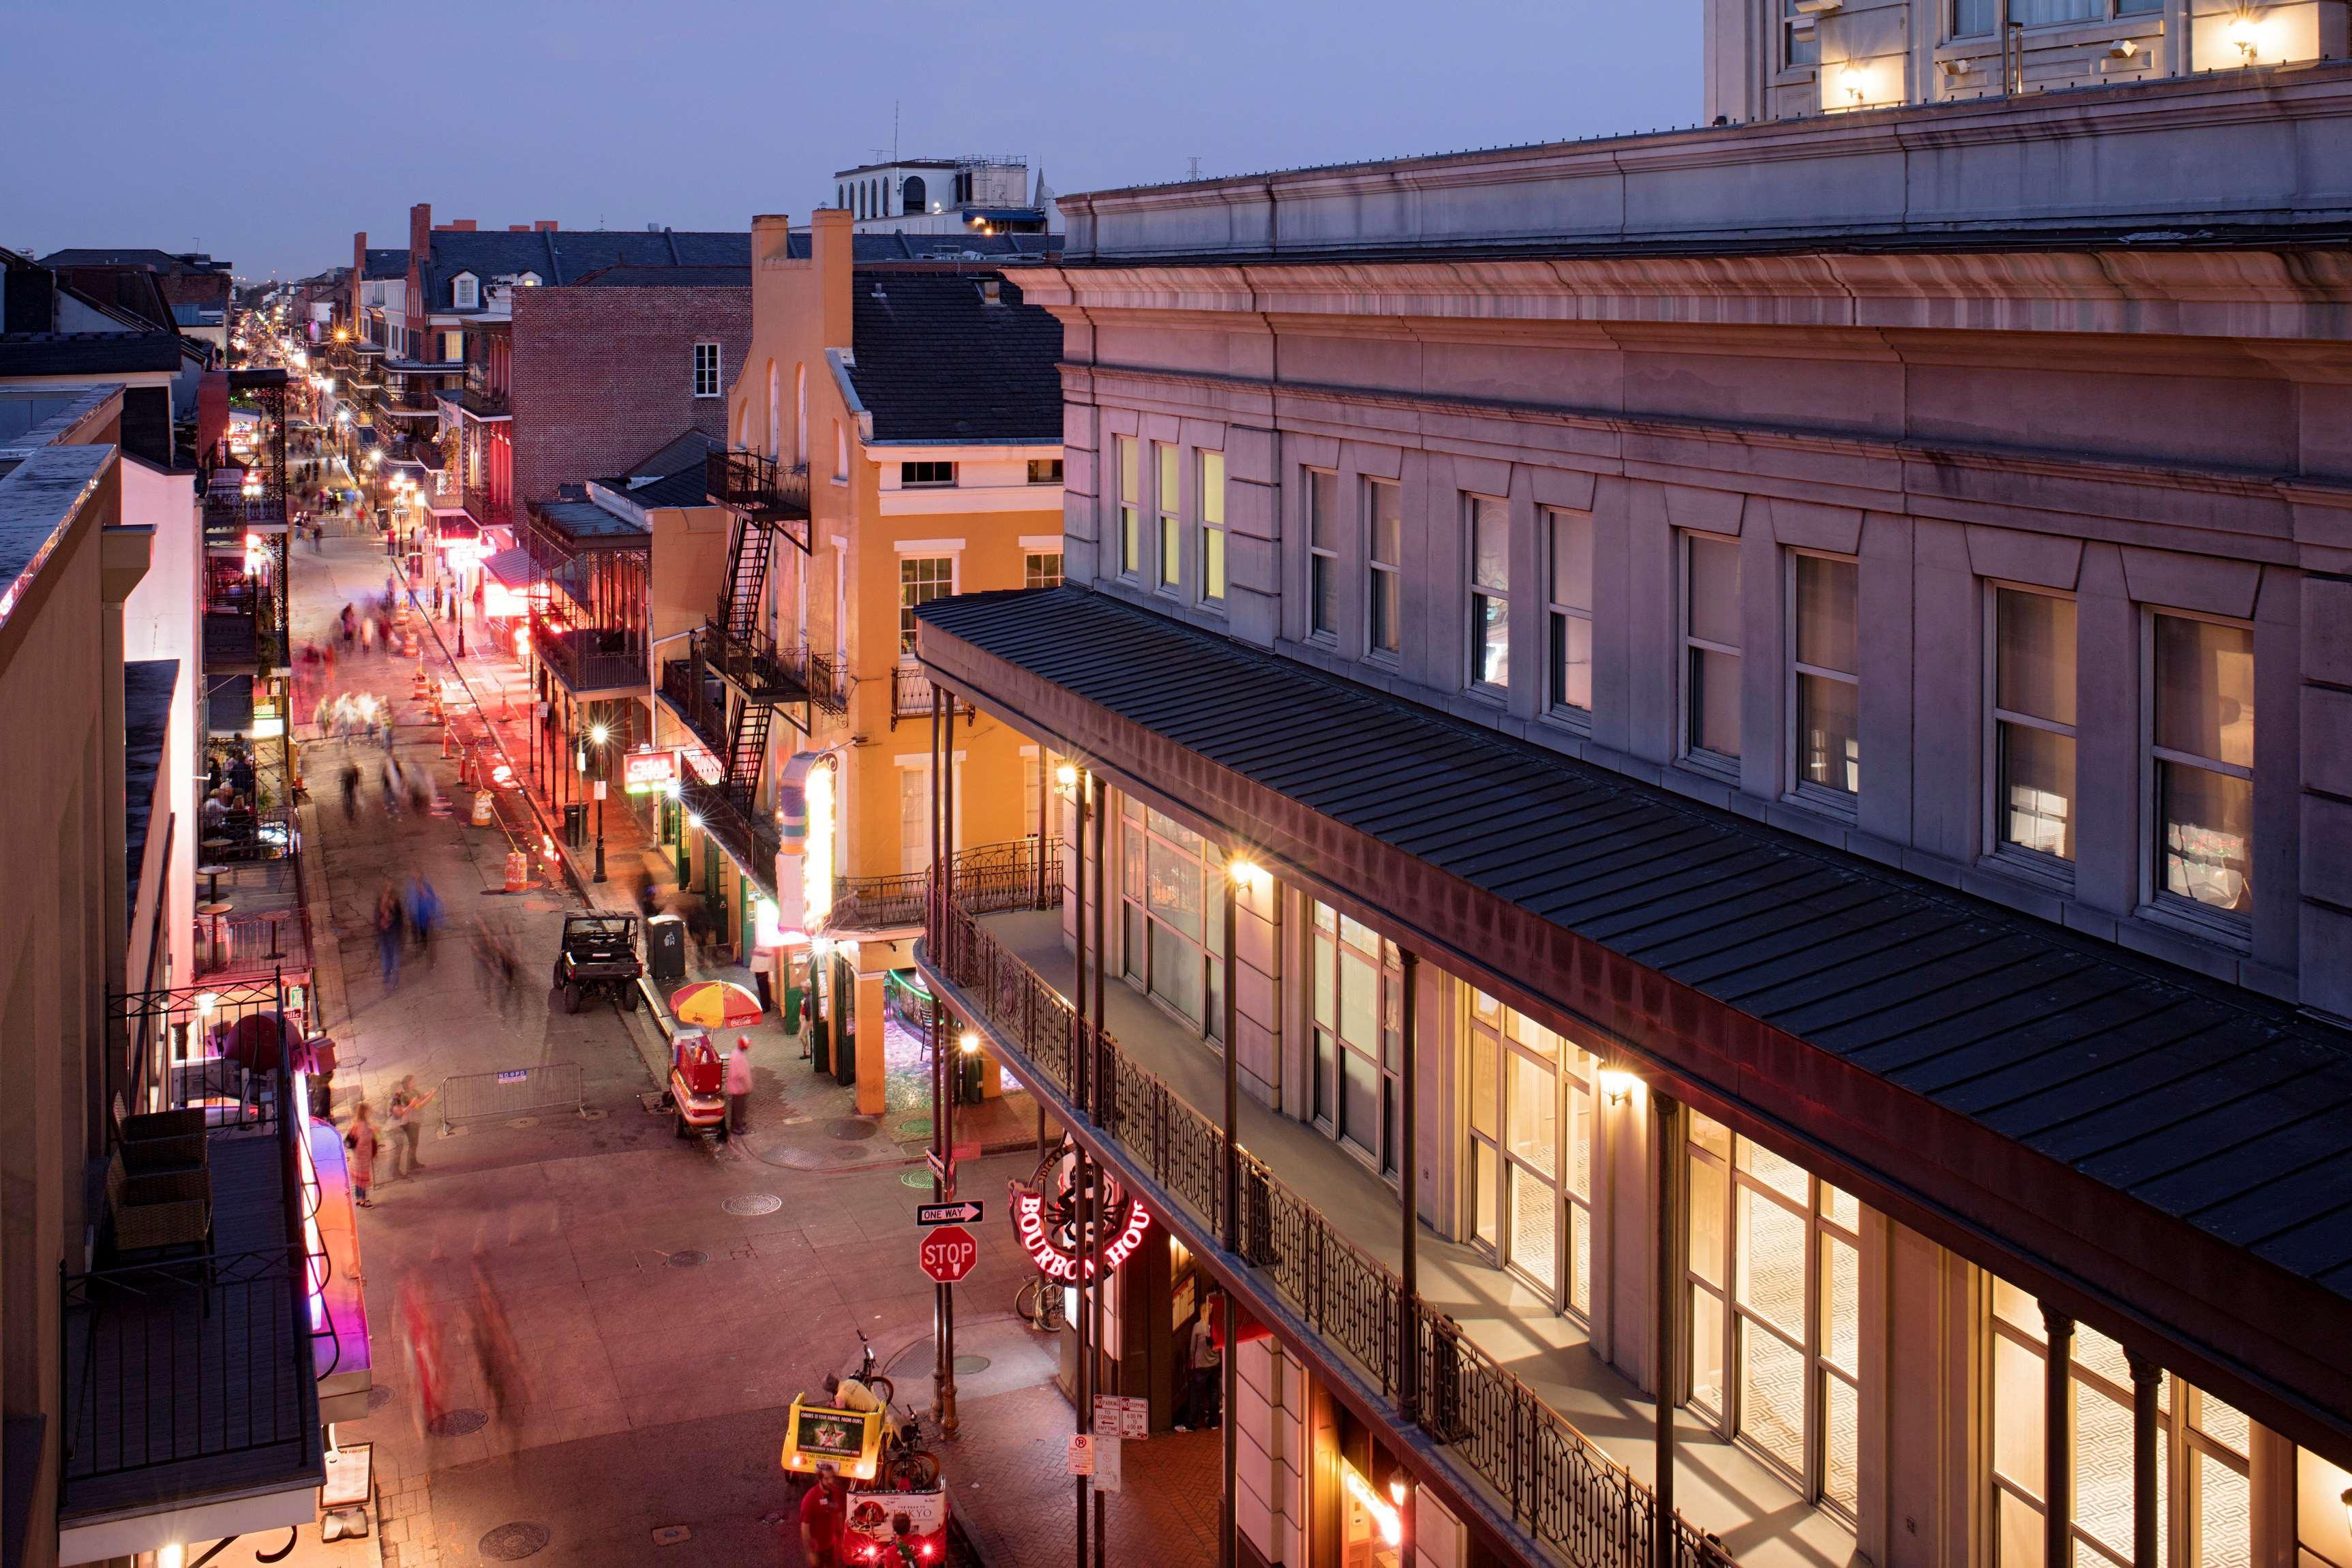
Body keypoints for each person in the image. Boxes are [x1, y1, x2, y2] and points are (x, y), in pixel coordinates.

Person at [798, 1463, 848, 1568]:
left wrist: (842, 1541)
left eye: (832, 1477)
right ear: (819, 1479)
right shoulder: (810, 1499)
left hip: (831, 1546)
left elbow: (840, 1515)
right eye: (827, 1478)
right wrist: (810, 1553)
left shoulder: (836, 1492)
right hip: (817, 1550)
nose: (831, 1481)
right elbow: (805, 1529)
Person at [389, 1074, 434, 1178]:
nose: (402, 1089)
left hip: (412, 1122)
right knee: (406, 1147)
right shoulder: (402, 1097)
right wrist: (432, 1095)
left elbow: (421, 1098)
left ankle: (413, 1163)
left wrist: (429, 1094)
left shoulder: (411, 1093)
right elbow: (417, 1106)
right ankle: (406, 1169)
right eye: (412, 1081)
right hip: (404, 1125)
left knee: (414, 1144)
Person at [346, 1102, 379, 1207]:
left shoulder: (354, 1124)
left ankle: (358, 1199)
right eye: (368, 1111)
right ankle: (364, 1201)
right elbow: (363, 1140)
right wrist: (373, 1132)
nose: (370, 1113)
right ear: (365, 1113)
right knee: (363, 1181)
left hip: (355, 1157)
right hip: (362, 1158)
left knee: (358, 1181)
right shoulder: (364, 1126)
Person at [376, 884, 405, 989]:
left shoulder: (395, 908)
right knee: (386, 960)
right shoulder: (381, 908)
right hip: (385, 938)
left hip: (393, 937)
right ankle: (387, 980)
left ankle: (394, 981)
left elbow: (400, 922)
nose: (387, 897)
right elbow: (377, 923)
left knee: (394, 960)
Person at [724, 1037, 753, 1141]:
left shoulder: (736, 1053)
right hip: (739, 1088)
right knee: (739, 1109)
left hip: (737, 1088)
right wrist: (747, 1084)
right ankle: (738, 1128)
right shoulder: (738, 1056)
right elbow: (740, 1074)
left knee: (737, 1108)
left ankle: (735, 1126)